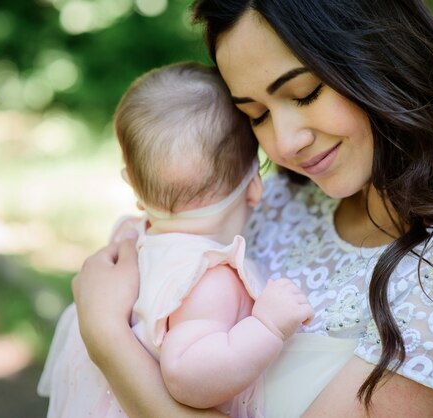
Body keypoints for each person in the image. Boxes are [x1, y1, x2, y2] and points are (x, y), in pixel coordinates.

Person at [70, 1, 433, 417]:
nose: (286, 143)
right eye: (256, 116)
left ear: (378, 55)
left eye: (305, 92)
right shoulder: (278, 204)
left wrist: (108, 339)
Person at [38, 62, 314, 418]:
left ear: (136, 193)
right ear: (254, 188)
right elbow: (186, 374)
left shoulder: (130, 238)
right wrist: (267, 327)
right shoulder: (208, 278)